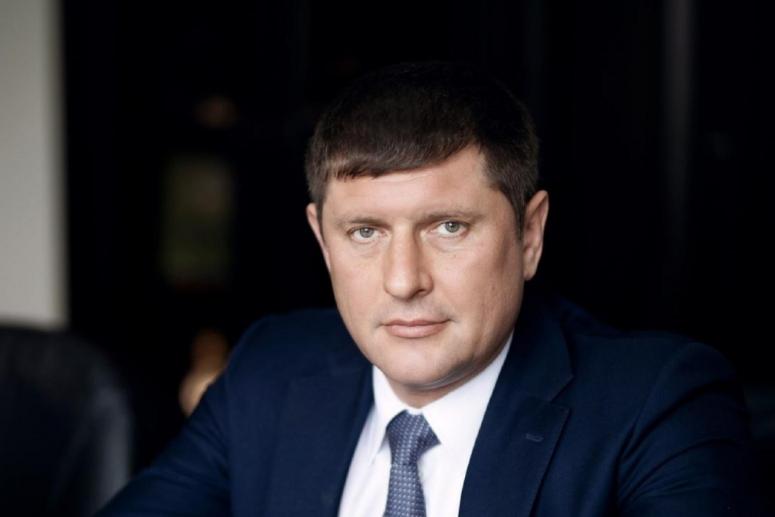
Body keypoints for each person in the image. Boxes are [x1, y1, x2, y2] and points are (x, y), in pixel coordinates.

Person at [99, 62, 763, 516]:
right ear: (322, 240)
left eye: (448, 227)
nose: (403, 280)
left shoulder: (657, 403)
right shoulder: (270, 369)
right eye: (364, 232)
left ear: (529, 234)